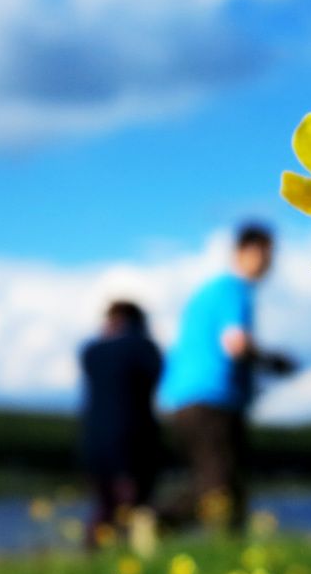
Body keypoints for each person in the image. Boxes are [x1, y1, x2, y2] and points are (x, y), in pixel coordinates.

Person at [157, 223, 296, 530]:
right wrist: (274, 362)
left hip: (183, 400)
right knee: (219, 487)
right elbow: (235, 344)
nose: (269, 263)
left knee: (218, 480)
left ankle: (158, 524)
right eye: (266, 254)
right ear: (245, 252)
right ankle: (156, 522)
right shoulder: (235, 290)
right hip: (212, 399)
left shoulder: (209, 291)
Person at [79, 300, 163, 546]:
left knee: (104, 506)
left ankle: (93, 558)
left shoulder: (92, 351)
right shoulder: (144, 348)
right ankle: (137, 557)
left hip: (94, 440)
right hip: (136, 439)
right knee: (137, 505)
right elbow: (157, 375)